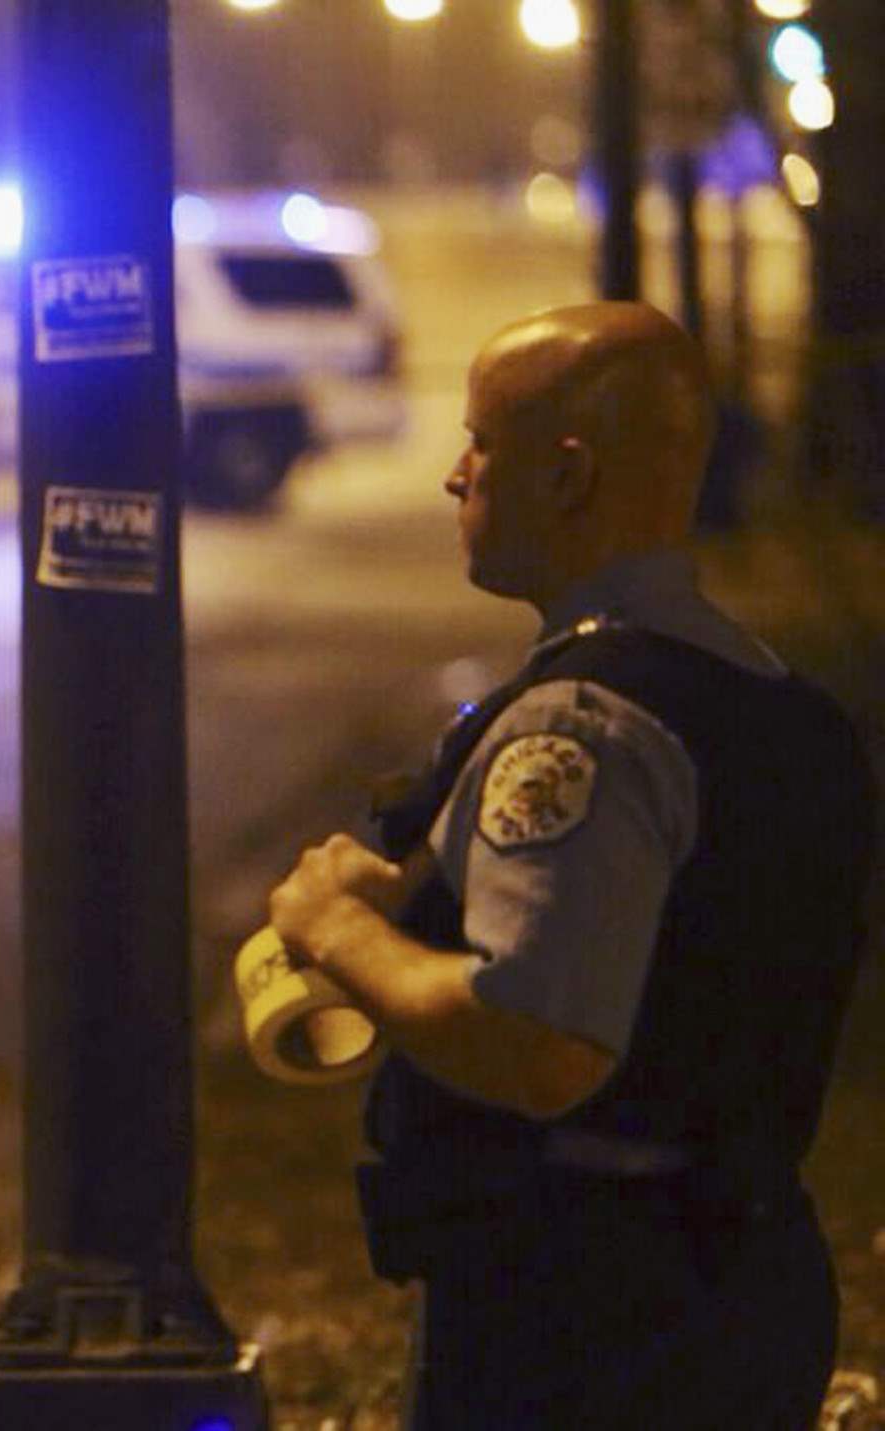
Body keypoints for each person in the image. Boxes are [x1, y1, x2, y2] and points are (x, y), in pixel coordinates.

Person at [265, 302, 875, 1429]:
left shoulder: (581, 726)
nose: (455, 476)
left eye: (479, 443)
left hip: (579, 1312)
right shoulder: (773, 704)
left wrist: (333, 932)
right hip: (733, 1269)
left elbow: (536, 1041)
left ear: (566, 475)